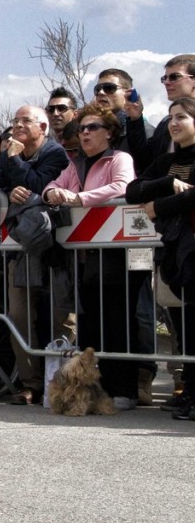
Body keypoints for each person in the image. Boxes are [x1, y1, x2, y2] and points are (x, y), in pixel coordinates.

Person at [43, 104, 139, 410]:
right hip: (83, 258)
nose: (85, 133)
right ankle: (94, 392)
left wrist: (80, 198)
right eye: (82, 128)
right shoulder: (76, 164)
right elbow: (54, 185)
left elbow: (122, 187)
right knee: (91, 324)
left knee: (117, 320)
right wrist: (51, 194)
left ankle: (124, 388)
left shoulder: (119, 158)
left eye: (92, 127)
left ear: (109, 132)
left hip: (114, 257)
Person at [0, 105, 70, 405]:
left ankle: (64, 384)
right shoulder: (11, 153)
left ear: (43, 128)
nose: (18, 126)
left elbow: (39, 185)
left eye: (26, 121)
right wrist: (9, 194)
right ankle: (30, 383)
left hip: (54, 248)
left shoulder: (56, 154)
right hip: (19, 249)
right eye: (15, 121)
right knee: (19, 314)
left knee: (62, 315)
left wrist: (14, 160)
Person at [126, 97, 195, 419]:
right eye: (171, 118)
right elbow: (133, 190)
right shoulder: (166, 162)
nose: (174, 123)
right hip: (177, 249)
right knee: (186, 326)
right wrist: (168, 184)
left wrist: (160, 205)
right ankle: (191, 391)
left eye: (182, 117)